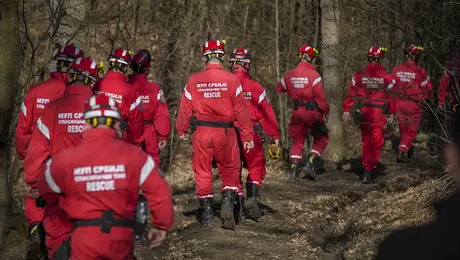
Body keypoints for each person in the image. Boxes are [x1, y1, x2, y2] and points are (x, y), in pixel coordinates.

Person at [38, 95, 174, 260]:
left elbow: (45, 187)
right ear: (117, 124)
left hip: (84, 237)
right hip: (121, 238)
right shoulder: (135, 156)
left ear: (86, 123)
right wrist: (161, 225)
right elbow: (160, 193)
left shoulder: (66, 159)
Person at [23, 57, 98, 258]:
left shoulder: (52, 110)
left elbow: (37, 150)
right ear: (92, 81)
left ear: (70, 77)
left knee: (57, 239)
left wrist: (32, 180)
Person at [175, 39, 254, 229]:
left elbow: (184, 108)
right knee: (229, 169)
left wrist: (181, 129)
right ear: (222, 56)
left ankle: (208, 215)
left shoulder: (193, 81)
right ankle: (227, 204)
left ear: (205, 57)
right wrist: (248, 136)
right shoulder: (232, 80)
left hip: (201, 132)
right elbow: (241, 111)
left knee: (202, 171)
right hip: (225, 132)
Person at [14, 43, 84, 256]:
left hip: (38, 159)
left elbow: (23, 129)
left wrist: (25, 157)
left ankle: (36, 229)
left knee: (35, 200)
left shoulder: (36, 92)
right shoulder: (78, 97)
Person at [228, 47, 279, 220]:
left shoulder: (224, 85)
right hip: (251, 132)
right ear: (247, 65)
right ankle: (252, 196)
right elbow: (267, 115)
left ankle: (238, 203)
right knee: (256, 167)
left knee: (232, 170)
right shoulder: (256, 88)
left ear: (232, 63)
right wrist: (275, 136)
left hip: (227, 134)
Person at [342, 45, 396, 184]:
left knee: (366, 140)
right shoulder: (387, 77)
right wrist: (391, 112)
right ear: (381, 59)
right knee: (377, 142)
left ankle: (366, 167)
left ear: (368, 57)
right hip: (378, 112)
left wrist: (346, 109)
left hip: (364, 111)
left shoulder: (359, 75)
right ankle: (369, 170)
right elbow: (392, 96)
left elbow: (351, 92)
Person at [276, 45, 329, 180]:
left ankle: (294, 170)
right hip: (312, 112)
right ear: (311, 57)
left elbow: (279, 89)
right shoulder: (314, 75)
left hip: (296, 112)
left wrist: (293, 91)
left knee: (297, 141)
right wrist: (325, 111)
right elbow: (319, 97)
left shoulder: (289, 75)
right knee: (322, 138)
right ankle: (310, 164)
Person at [93, 47, 144, 145]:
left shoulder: (97, 84)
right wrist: (138, 141)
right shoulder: (131, 91)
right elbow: (136, 121)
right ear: (125, 67)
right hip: (119, 140)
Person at [128, 49, 170, 166]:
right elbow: (162, 115)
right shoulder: (154, 89)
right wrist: (163, 136)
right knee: (150, 168)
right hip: (149, 133)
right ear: (147, 68)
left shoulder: (124, 87)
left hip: (129, 130)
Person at [392, 45, 433, 163]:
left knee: (404, 128)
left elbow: (391, 87)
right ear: (416, 57)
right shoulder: (421, 72)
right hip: (414, 104)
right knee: (411, 130)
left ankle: (407, 149)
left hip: (399, 103)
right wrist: (428, 98)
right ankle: (402, 150)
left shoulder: (396, 69)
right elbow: (428, 88)